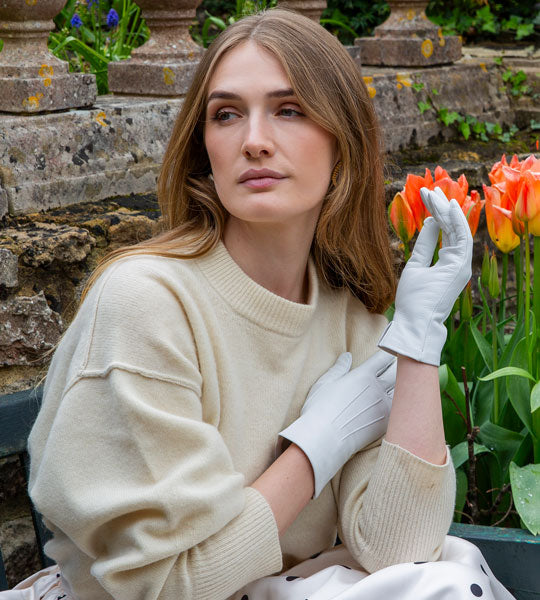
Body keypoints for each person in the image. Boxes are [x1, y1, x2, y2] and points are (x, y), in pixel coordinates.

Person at [2, 9, 514, 600]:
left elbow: (400, 549)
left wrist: (419, 340)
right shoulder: (146, 304)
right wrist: (316, 449)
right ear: (204, 149)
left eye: (289, 110)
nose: (254, 141)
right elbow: (165, 587)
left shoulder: (351, 319)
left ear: (343, 141)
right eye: (226, 114)